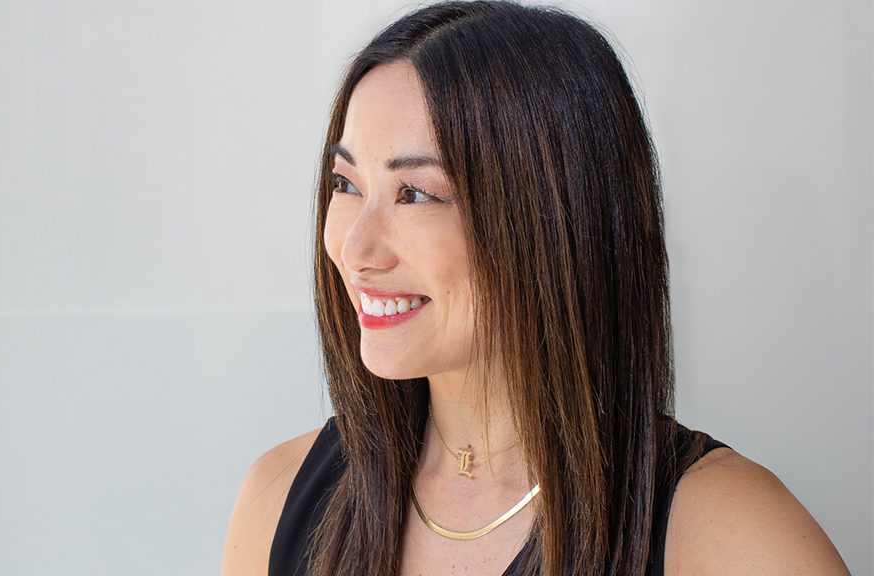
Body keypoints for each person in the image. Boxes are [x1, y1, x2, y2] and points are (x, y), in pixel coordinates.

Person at [221, 2, 850, 575]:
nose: (353, 249)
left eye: (415, 194)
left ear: (553, 218)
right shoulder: (277, 499)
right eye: (345, 184)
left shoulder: (736, 542)